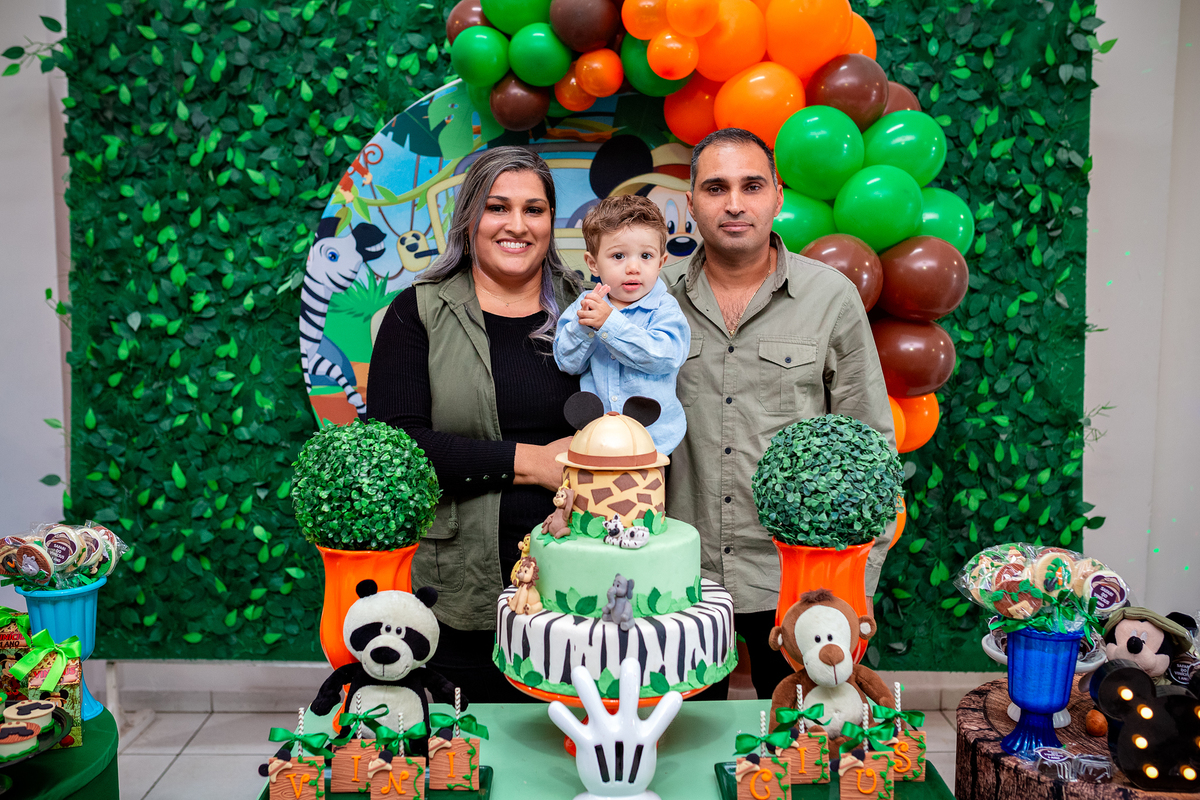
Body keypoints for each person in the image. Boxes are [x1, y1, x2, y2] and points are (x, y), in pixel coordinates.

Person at [662, 128, 896, 700]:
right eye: (715, 188)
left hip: (799, 580)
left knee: (802, 739)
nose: (734, 203)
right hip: (678, 576)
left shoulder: (830, 297)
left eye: (752, 186)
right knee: (681, 737)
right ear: (690, 202)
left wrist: (858, 581)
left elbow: (871, 448)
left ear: (777, 196)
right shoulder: (652, 301)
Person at [367, 146, 585, 702]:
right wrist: (531, 462)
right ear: (468, 219)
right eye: (497, 207)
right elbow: (399, 450)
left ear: (551, 222)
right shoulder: (417, 312)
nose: (517, 225)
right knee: (468, 745)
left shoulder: (589, 310)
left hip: (580, 584)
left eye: (534, 209)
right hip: (460, 591)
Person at [553, 195, 691, 454]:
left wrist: (610, 324)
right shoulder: (586, 305)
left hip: (652, 442)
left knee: (643, 483)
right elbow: (568, 363)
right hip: (597, 440)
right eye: (618, 256)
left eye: (646, 256)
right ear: (593, 264)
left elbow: (666, 357)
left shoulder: (664, 308)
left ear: (661, 263)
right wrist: (585, 327)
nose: (633, 267)